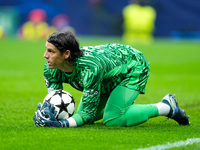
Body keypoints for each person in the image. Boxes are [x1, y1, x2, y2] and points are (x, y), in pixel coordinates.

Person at [33, 31, 189, 127]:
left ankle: (166, 107)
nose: (45, 56)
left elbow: (85, 114)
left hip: (132, 66)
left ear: (66, 54)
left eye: (51, 51)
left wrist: (61, 124)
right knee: (84, 118)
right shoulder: (50, 68)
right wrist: (49, 113)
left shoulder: (90, 68)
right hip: (107, 75)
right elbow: (54, 99)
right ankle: (118, 102)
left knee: (113, 118)